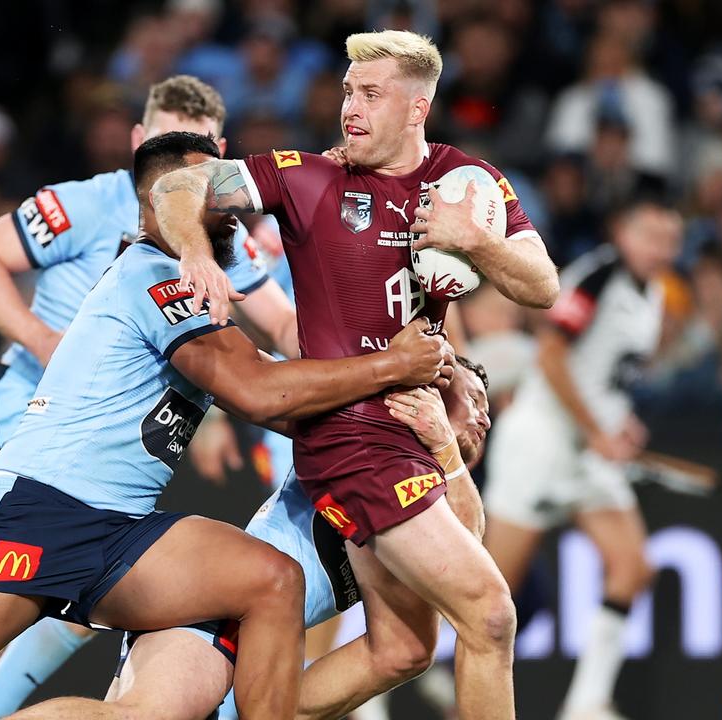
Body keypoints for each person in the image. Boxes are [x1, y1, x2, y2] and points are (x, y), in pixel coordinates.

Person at [0, 132, 449, 720]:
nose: (231, 198)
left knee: (270, 580)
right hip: (41, 511)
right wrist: (393, 367)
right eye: (208, 186)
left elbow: (286, 376)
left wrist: (401, 389)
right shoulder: (157, 275)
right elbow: (260, 393)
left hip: (117, 525)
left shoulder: (193, 282)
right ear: (166, 203)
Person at [152, 29, 558, 718]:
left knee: (402, 649)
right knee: (490, 617)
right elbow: (178, 187)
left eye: (370, 93)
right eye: (347, 91)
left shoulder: (467, 185)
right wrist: (196, 255)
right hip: (351, 441)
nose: (350, 108)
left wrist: (477, 243)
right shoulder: (308, 177)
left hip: (411, 433)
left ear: (416, 108)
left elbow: (543, 286)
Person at [0, 74, 299, 720]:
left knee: (45, 613)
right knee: (5, 620)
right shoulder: (89, 205)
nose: (186, 177)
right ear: (140, 142)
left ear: (222, 154)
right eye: (169, 144)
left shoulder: (220, 239)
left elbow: (280, 327)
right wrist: (44, 341)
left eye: (200, 149)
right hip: (33, 420)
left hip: (106, 450)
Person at [5, 358, 493, 720]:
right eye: (475, 399)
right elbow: (252, 376)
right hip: (220, 613)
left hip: (251, 638)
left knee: (409, 649)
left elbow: (437, 600)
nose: (485, 419)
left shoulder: (424, 483)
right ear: (430, 390)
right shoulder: (367, 433)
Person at [481, 202, 683, 720]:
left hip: (589, 455)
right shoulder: (598, 278)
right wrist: (596, 430)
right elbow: (549, 354)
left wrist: (620, 422)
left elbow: (608, 376)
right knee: (487, 599)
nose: (660, 248)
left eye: (669, 238)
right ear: (624, 232)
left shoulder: (655, 294)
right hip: (542, 445)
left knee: (633, 567)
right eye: (650, 233)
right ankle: (396, 687)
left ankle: (586, 704)